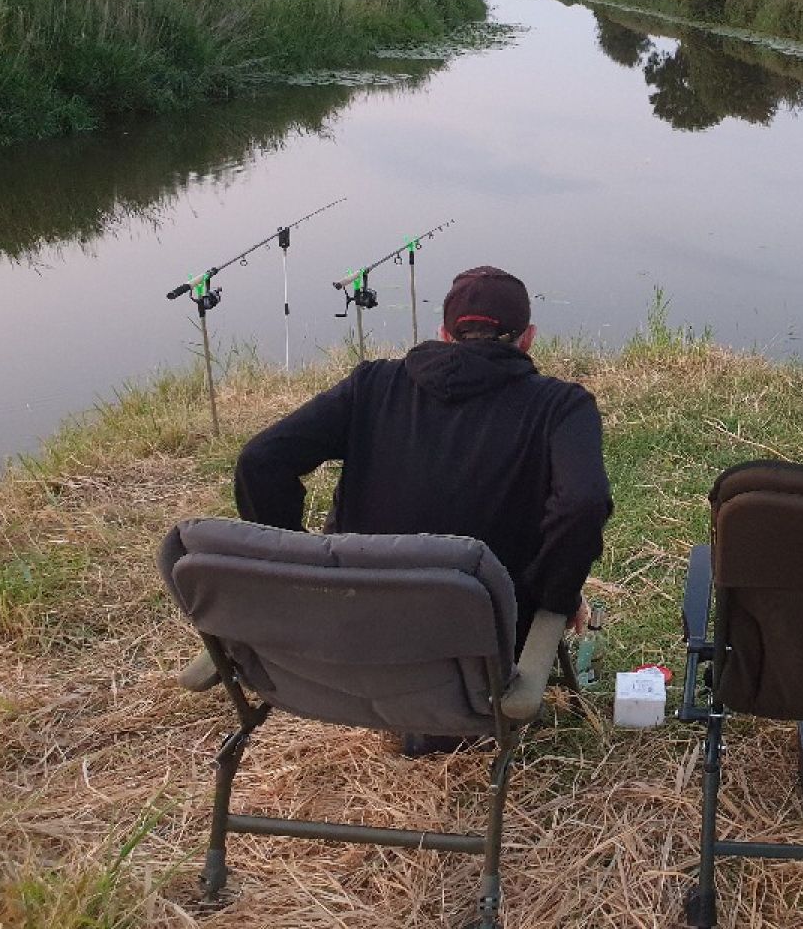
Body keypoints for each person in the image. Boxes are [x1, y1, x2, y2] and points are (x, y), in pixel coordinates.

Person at [179, 267, 613, 748]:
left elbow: (261, 462)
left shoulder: (372, 385)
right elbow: (583, 504)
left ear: (445, 335)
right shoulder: (561, 406)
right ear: (528, 339)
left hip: (345, 635)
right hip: (480, 657)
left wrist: (293, 576)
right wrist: (553, 597)